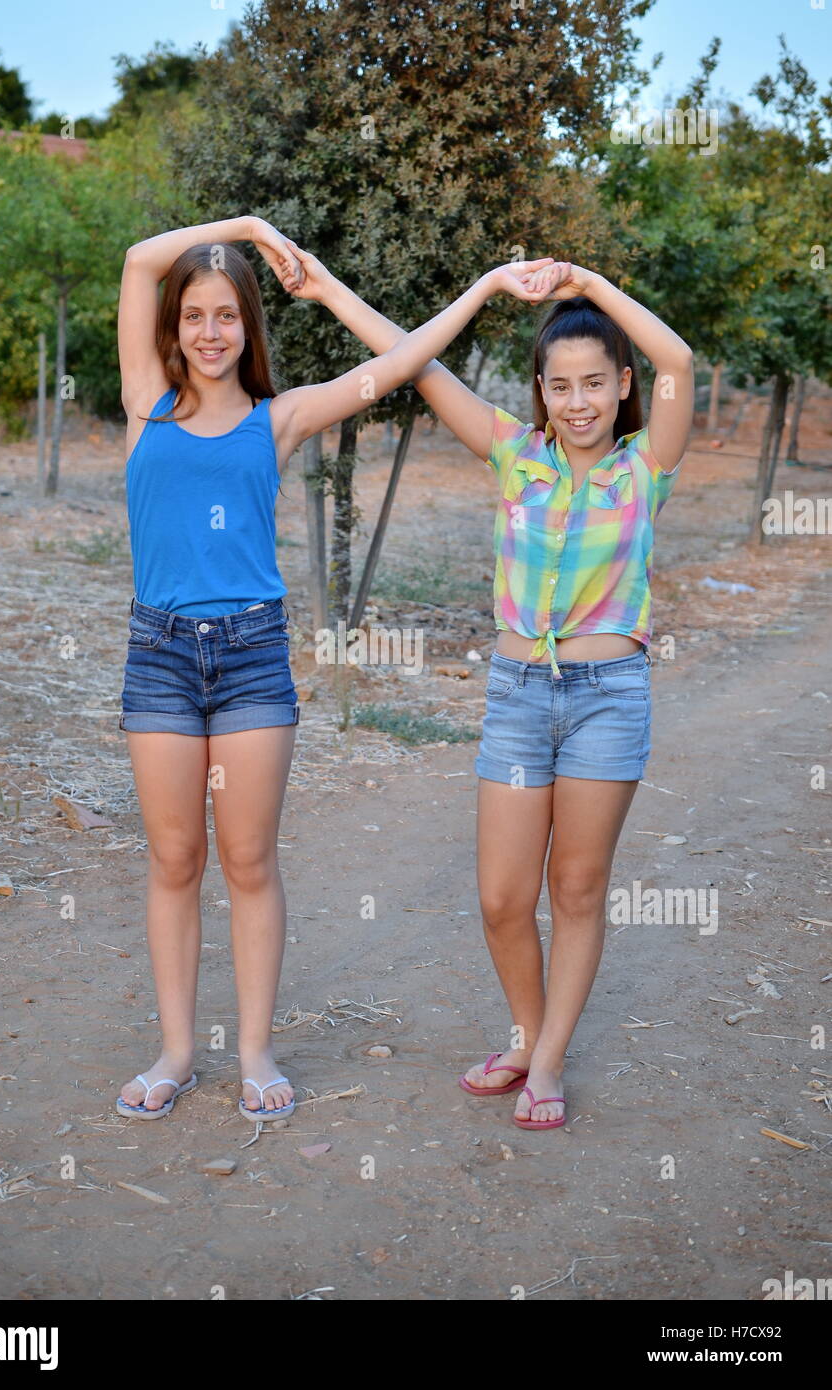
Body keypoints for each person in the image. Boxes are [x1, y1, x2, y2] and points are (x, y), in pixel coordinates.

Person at [114, 214, 561, 1120]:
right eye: (194, 315)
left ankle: (253, 1055)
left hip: (248, 656)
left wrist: (479, 288)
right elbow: (137, 259)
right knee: (172, 858)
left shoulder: (282, 419)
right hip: (158, 653)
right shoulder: (142, 402)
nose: (209, 332)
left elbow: (398, 368)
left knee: (246, 859)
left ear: (249, 327)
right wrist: (244, 227)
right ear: (173, 328)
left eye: (227, 316)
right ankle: (173, 1052)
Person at [279, 242, 693, 1129]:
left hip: (607, 700)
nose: (576, 402)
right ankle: (524, 1031)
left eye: (593, 383)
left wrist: (587, 285)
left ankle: (543, 1062)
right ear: (537, 392)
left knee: (576, 890)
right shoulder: (514, 455)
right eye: (558, 385)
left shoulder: (644, 470)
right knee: (503, 898)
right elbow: (413, 361)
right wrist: (329, 291)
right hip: (515, 697)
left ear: (620, 386)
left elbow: (677, 360)